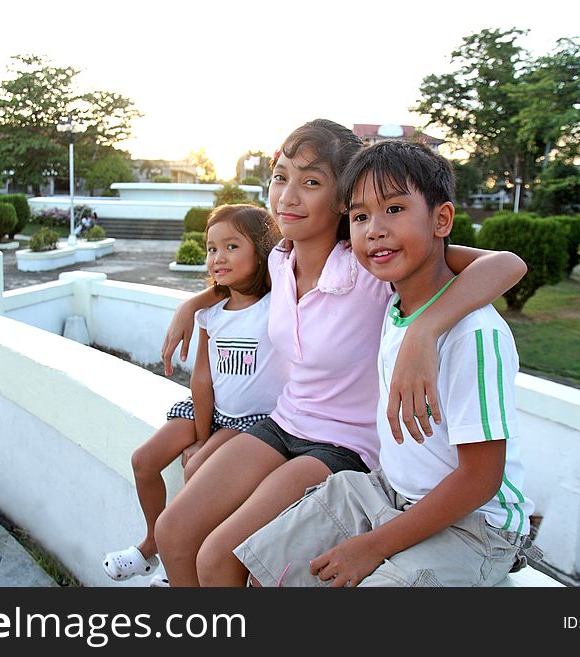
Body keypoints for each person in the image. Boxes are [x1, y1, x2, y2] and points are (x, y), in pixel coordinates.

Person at [153, 119, 528, 587]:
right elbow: (237, 282)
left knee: (220, 555)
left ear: (338, 199)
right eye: (281, 177)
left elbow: (506, 265)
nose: (288, 196)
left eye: (311, 182)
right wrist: (193, 304)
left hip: (346, 444)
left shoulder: (372, 265)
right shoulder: (279, 260)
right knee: (173, 531)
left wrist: (425, 331)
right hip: (286, 420)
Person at [102, 204, 287, 583]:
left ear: (261, 250)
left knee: (197, 467)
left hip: (254, 421)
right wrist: (203, 436)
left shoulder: (278, 305)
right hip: (212, 409)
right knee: (144, 459)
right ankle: (153, 546)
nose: (218, 258)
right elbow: (201, 380)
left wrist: (206, 447)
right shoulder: (212, 312)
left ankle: (178, 555)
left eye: (232, 246)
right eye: (211, 248)